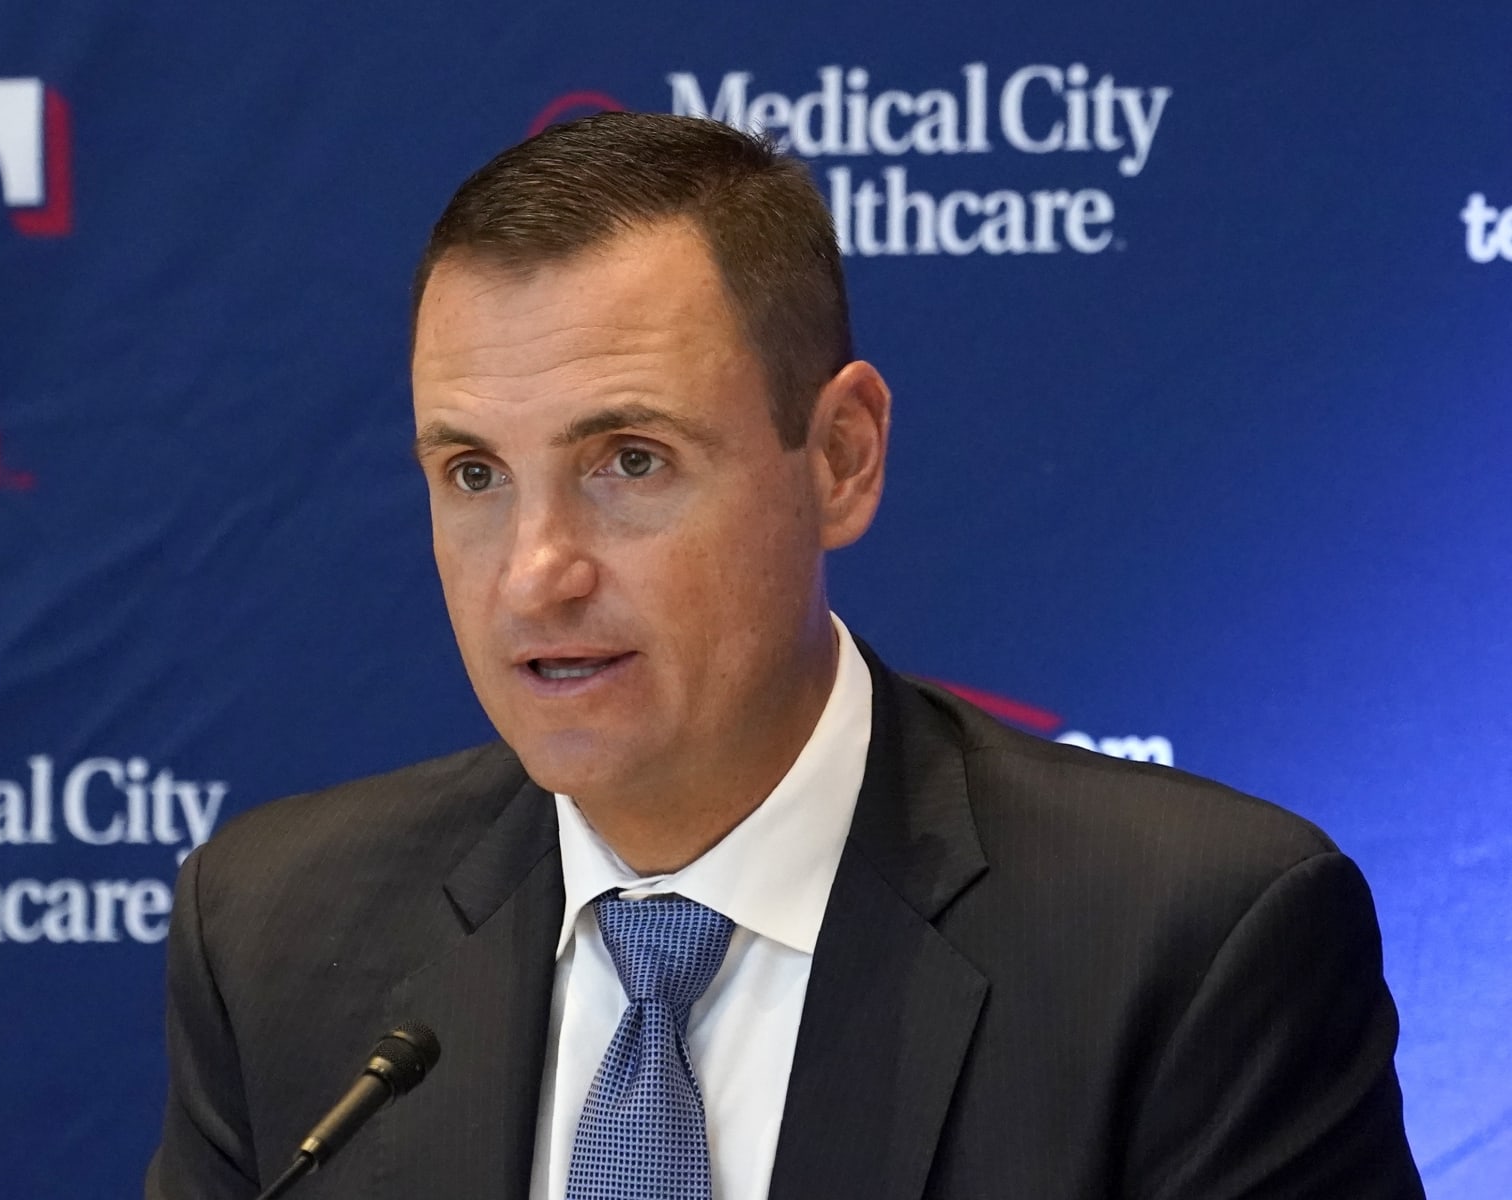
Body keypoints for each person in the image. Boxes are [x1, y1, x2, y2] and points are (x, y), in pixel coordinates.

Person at [145, 113, 1424, 1199]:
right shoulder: (274, 935)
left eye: (629, 462)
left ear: (842, 458)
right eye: (472, 473)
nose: (536, 572)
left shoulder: (1188, 946)